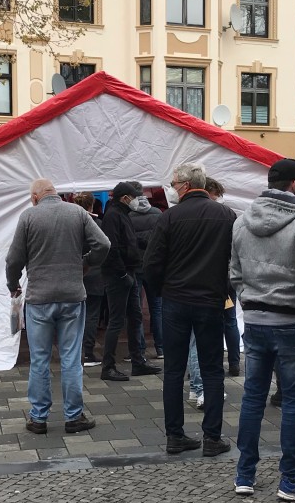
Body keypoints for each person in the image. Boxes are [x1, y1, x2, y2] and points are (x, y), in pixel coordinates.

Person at [229, 158, 295, 500]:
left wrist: (250, 301)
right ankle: (292, 479)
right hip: (292, 321)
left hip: (257, 321)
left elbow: (234, 271)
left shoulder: (242, 221)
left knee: (253, 398)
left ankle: (244, 474)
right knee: (293, 402)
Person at [143, 161, 236, 456]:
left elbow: (152, 264)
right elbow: (235, 259)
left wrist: (161, 292)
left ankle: (175, 435)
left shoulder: (169, 218)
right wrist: (225, 290)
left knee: (173, 370)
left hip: (176, 301)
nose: (171, 189)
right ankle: (212, 437)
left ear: (183, 186)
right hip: (210, 301)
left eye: (173, 184)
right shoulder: (225, 215)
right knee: (212, 369)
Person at [6, 178, 110, 434]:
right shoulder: (77, 212)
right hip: (72, 296)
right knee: (71, 359)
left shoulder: (29, 217)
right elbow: (104, 244)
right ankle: (73, 416)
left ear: (34, 197)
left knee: (40, 360)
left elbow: (14, 259)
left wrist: (13, 285)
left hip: (40, 298)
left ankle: (38, 417)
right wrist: (85, 263)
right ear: (56, 194)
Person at [99, 182, 161, 382]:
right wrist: (122, 275)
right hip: (120, 275)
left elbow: (130, 240)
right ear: (125, 198)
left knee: (135, 318)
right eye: (135, 196)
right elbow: (112, 247)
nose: (138, 200)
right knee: (117, 321)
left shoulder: (122, 214)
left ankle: (138, 362)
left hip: (129, 273)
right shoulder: (113, 216)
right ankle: (108, 367)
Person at [205, 178, 241, 376]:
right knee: (230, 320)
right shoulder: (230, 214)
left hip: (210, 276)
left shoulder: (203, 214)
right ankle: (234, 363)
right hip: (228, 274)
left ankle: (212, 363)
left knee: (211, 321)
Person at [128, 190, 164, 361]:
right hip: (153, 266)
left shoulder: (128, 216)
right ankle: (161, 348)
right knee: (156, 308)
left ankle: (140, 348)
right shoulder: (158, 214)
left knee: (136, 310)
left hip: (135, 266)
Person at [75, 193, 106, 367]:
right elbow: (104, 247)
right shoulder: (98, 225)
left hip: (75, 274)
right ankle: (88, 352)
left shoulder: (70, 225)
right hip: (94, 275)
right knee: (92, 315)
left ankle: (75, 351)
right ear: (91, 205)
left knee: (74, 316)